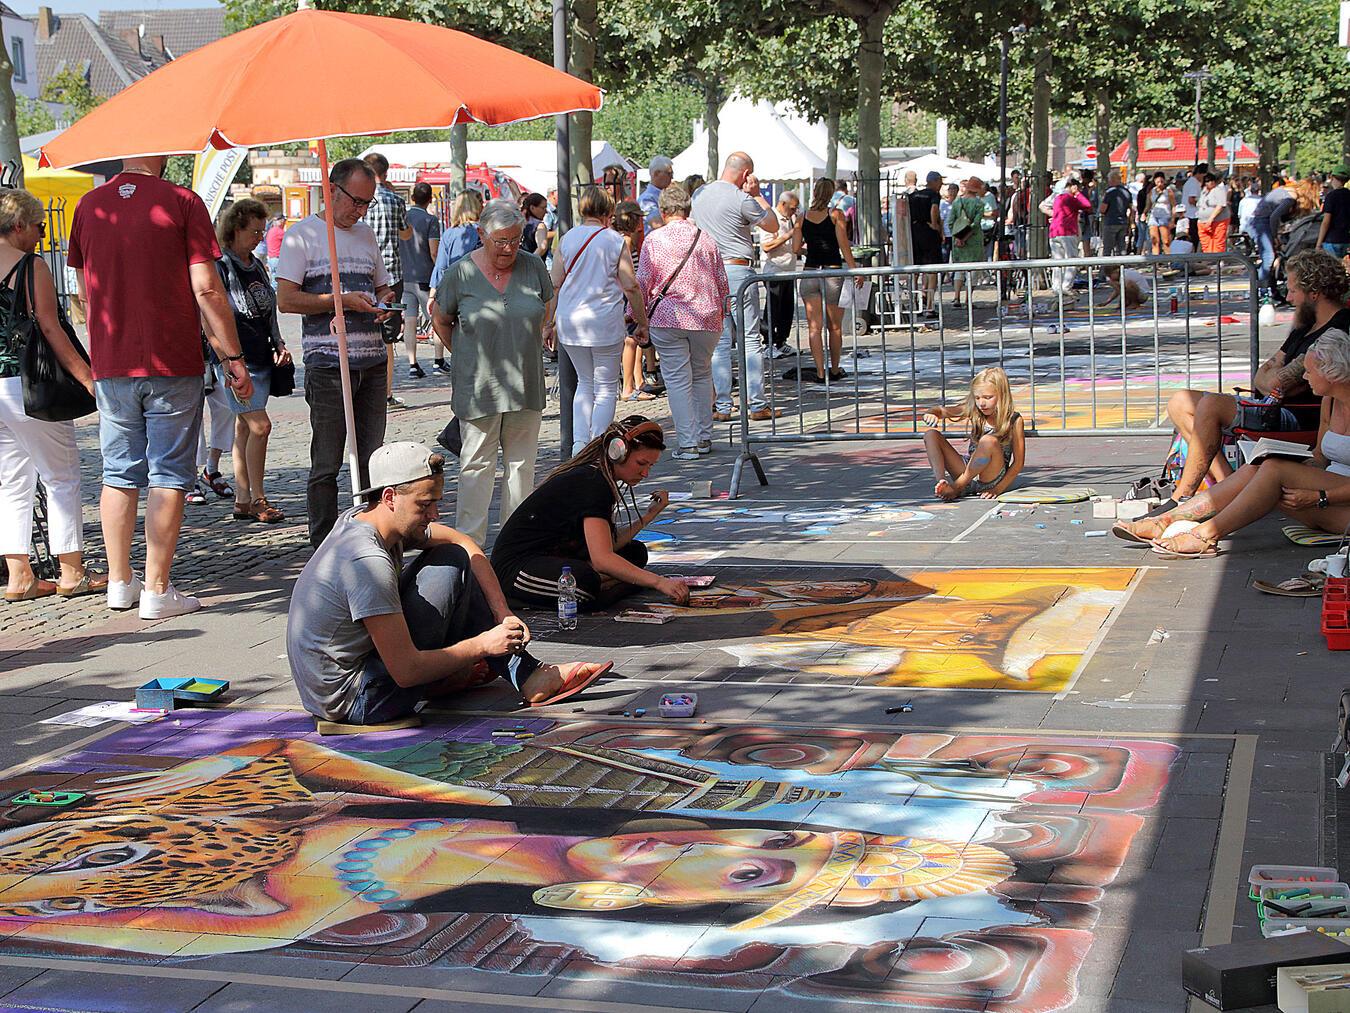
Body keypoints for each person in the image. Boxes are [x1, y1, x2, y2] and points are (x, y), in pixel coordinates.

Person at [287, 441, 613, 724]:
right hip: (355, 702)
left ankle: (515, 674)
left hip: (336, 686)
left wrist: (503, 613)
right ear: (389, 497)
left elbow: (465, 544)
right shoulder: (366, 561)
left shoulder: (367, 517)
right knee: (450, 565)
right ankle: (526, 676)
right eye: (425, 504)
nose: (434, 514)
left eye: (437, 502)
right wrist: (483, 646)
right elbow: (406, 672)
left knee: (454, 556)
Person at [68, 156, 252, 619]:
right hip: (170, 357)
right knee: (169, 473)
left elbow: (84, 291)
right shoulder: (182, 201)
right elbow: (207, 289)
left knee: (118, 471)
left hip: (112, 360)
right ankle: (156, 589)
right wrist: (232, 356)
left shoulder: (89, 205)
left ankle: (117, 582)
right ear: (162, 152)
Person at [1114, 329, 1350, 558]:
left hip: (1337, 503)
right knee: (1260, 466)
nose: (1305, 377)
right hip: (1326, 494)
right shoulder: (1329, 401)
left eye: (1309, 371)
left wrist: (1320, 496)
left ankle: (1205, 535)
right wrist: (1296, 465)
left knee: (1274, 469)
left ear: (1332, 373)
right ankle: (1165, 521)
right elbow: (1320, 457)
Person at [277, 157, 398, 548]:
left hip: (372, 360)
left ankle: (369, 536)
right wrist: (338, 301)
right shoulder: (302, 235)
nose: (360, 210)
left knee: (371, 458)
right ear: (332, 189)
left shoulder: (365, 236)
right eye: (356, 201)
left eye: (367, 203)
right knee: (327, 461)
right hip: (329, 363)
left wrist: (384, 300)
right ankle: (324, 544)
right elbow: (287, 299)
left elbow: (381, 285)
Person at [1164, 249, 1350, 503]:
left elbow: (1277, 379)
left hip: (1298, 414)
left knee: (1210, 404)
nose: (1289, 297)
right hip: (1273, 404)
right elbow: (1264, 374)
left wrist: (1274, 377)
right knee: (1180, 402)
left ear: (1314, 293)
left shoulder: (1338, 326)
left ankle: (1182, 495)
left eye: (1294, 290)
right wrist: (1273, 377)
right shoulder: (1307, 325)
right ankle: (1227, 483)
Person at [0, 189, 105, 601]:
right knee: (62, 477)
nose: (43, 233)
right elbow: (50, 327)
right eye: (40, 225)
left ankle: (19, 575)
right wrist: (87, 377)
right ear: (20, 225)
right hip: (30, 386)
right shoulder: (30, 266)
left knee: (11, 481)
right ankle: (71, 570)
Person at [432, 199, 552, 545]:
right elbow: (441, 319)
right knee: (476, 466)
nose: (509, 248)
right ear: (481, 235)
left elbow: (544, 308)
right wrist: (467, 354)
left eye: (516, 239)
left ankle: (514, 544)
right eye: (501, 241)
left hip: (524, 382)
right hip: (478, 385)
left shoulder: (532, 267)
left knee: (521, 468)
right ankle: (470, 545)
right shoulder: (461, 272)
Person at [491, 416, 691, 610]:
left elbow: (607, 545)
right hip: (516, 570)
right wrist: (658, 582)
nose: (645, 473)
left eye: (651, 466)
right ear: (617, 452)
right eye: (641, 463)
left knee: (635, 552)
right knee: (583, 583)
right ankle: (596, 586)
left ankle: (604, 584)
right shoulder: (593, 482)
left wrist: (647, 517)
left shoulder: (599, 476)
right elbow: (602, 558)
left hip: (555, 557)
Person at [553, 185, 650, 456]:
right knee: (606, 385)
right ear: (609, 212)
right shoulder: (613, 240)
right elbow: (630, 285)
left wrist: (549, 322)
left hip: (571, 321)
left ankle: (579, 445)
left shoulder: (568, 238)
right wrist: (642, 321)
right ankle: (599, 444)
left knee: (585, 382)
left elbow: (555, 283)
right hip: (604, 320)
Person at [210, 198, 290, 525]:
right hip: (234, 358)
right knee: (261, 426)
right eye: (254, 230)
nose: (259, 236)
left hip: (259, 354)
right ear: (235, 229)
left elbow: (268, 308)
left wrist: (279, 341)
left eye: (262, 229)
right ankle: (258, 497)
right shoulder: (219, 265)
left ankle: (242, 499)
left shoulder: (256, 264)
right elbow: (211, 315)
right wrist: (226, 358)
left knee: (245, 426)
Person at [637, 184, 727, 460]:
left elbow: (642, 280)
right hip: (706, 316)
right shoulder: (707, 239)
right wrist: (723, 310)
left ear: (664, 212)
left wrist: (636, 314)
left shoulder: (654, 240)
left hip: (668, 316)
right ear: (688, 210)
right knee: (702, 374)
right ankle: (704, 437)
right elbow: (721, 281)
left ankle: (687, 442)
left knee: (677, 380)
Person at [691, 151, 779, 423]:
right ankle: (756, 403)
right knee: (750, 338)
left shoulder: (700, 195)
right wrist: (758, 194)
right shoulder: (741, 198)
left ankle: (724, 405)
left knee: (720, 341)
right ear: (745, 174)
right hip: (738, 269)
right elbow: (772, 225)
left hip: (709, 270)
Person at [792, 177, 861, 383]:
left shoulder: (801, 218)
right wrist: (854, 269)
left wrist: (811, 250)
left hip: (810, 272)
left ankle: (820, 372)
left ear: (814, 193)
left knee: (814, 327)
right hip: (832, 272)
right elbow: (843, 245)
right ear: (831, 194)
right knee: (835, 327)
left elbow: (795, 249)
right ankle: (835, 368)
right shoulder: (836, 215)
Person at [921, 366, 1025, 502]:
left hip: (990, 477)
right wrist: (931, 414)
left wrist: (998, 489)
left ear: (1002, 395)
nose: (982, 403)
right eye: (977, 398)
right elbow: (941, 411)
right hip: (968, 470)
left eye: (988, 397)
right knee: (931, 434)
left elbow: (1018, 463)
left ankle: (956, 487)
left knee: (988, 441)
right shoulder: (975, 410)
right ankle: (942, 483)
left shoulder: (1014, 420)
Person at [360, 153, 412, 411]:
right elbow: (406, 233)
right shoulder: (395, 200)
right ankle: (386, 392)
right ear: (387, 172)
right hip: (391, 275)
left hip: (363, 274)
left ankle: (363, 391)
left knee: (362, 330)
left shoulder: (361, 201)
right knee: (388, 338)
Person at [427, 190, 483, 376]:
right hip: (479, 291)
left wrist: (433, 294)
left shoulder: (450, 234)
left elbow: (441, 267)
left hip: (454, 291)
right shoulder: (482, 232)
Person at [611, 201, 657, 403]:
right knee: (631, 340)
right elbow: (628, 274)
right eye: (638, 216)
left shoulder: (623, 239)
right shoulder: (626, 241)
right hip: (626, 295)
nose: (641, 220)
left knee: (635, 340)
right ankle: (629, 386)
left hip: (627, 293)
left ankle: (637, 381)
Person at [399, 182, 441, 379]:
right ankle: (438, 360)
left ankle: (412, 363)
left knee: (409, 321)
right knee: (436, 319)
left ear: (413, 198)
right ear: (430, 199)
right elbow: (434, 251)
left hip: (405, 276)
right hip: (425, 277)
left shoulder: (403, 217)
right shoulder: (431, 220)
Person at [760, 191, 800, 360]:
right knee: (773, 308)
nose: (794, 212)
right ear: (783, 205)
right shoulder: (772, 219)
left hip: (788, 269)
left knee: (787, 308)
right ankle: (768, 343)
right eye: (792, 208)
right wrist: (788, 235)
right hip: (774, 269)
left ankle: (781, 341)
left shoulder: (790, 219)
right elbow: (766, 246)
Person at [1249, 177, 1298, 293]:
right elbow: (1274, 217)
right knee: (1269, 256)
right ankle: (1263, 290)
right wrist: (1275, 236)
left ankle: (1268, 288)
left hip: (1258, 221)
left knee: (1269, 257)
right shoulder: (1289, 199)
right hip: (1262, 222)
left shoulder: (1282, 192)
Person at [946, 177, 988, 307]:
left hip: (958, 241)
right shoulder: (979, 204)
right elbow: (976, 223)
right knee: (973, 270)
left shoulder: (957, 202)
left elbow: (950, 222)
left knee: (959, 269)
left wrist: (958, 237)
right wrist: (966, 236)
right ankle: (968, 299)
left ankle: (956, 297)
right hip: (974, 241)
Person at [909, 171, 945, 317]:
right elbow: (934, 209)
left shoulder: (913, 196)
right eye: (940, 181)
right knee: (932, 270)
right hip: (928, 233)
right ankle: (929, 306)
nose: (941, 184)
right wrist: (935, 225)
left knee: (915, 269)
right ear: (934, 181)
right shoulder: (934, 195)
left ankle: (914, 303)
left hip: (914, 232)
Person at [1049, 176, 1090, 295]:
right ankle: (1066, 286)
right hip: (1067, 232)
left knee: (1057, 261)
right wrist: (1077, 193)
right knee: (1072, 260)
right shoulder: (1070, 198)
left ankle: (1056, 287)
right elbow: (1087, 205)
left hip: (1054, 232)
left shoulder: (1057, 198)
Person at [1317, 164, 1350, 259]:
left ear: (1333, 177)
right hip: (1346, 240)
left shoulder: (1331, 196)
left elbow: (1326, 222)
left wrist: (1319, 244)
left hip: (1332, 240)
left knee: (1332, 270)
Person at [1099, 169, 1133, 258]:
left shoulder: (1110, 192)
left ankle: (1105, 270)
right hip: (1123, 222)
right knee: (1121, 248)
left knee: (1107, 248)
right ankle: (1121, 268)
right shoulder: (1127, 192)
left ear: (1112, 180)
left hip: (1110, 222)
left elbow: (1103, 209)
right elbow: (1131, 208)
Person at [1196, 172, 1230, 255]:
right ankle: (1208, 259)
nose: (1209, 183)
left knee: (1218, 241)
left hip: (1218, 220)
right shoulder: (1203, 191)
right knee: (1205, 242)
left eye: (1211, 180)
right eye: (1207, 181)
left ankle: (1218, 259)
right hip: (1203, 221)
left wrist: (1211, 218)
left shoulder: (1219, 190)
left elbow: (1221, 205)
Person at [638, 155, 674, 233]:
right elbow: (657, 224)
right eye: (669, 174)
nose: (672, 177)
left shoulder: (664, 196)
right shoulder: (646, 199)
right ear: (656, 173)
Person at [1146, 172, 1176, 256]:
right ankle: (1155, 259)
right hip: (1153, 216)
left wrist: (1173, 219)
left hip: (1165, 216)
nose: (1160, 184)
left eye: (1161, 181)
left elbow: (1174, 205)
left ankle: (1168, 258)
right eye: (1158, 181)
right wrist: (1144, 213)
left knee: (1166, 240)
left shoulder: (1168, 191)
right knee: (1154, 240)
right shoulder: (1152, 191)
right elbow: (1148, 204)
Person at [1181, 162, 1206, 254]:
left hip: (1189, 213)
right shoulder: (1194, 184)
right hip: (1192, 215)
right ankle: (1194, 255)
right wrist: (1203, 204)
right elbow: (1191, 200)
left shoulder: (1190, 182)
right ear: (1200, 174)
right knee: (1194, 238)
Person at [520, 193, 550, 259]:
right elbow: (542, 247)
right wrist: (530, 262)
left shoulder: (520, 222)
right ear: (532, 208)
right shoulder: (540, 226)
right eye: (543, 208)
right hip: (533, 267)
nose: (546, 211)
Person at [939, 182, 957, 262]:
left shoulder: (959, 203)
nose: (952, 191)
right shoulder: (943, 204)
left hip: (956, 234)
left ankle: (953, 274)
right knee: (944, 257)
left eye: (954, 189)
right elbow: (941, 220)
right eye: (950, 189)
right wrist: (942, 233)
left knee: (955, 258)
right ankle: (943, 274)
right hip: (946, 234)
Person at [264, 214, 285, 283]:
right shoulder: (279, 232)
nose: (284, 222)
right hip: (277, 259)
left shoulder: (271, 230)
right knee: (278, 282)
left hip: (271, 258)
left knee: (274, 279)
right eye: (284, 220)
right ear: (281, 221)